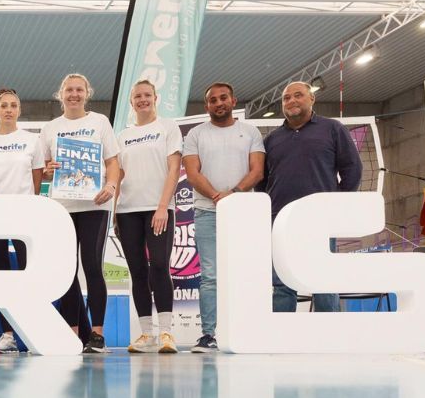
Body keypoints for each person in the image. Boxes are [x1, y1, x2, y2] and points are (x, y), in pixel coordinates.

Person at [263, 81, 363, 313]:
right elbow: (262, 182)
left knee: (324, 281)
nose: (292, 101)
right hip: (280, 223)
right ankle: (282, 340)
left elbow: (353, 170)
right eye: (286, 98)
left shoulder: (332, 129)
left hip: (320, 221)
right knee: (281, 284)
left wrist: (335, 204)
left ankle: (329, 340)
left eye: (298, 95)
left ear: (312, 99)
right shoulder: (272, 140)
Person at [39, 73, 121, 353]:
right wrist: (49, 170)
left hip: (94, 205)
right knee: (66, 272)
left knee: (92, 266)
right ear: (60, 94)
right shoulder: (50, 128)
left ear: (87, 93)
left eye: (79, 90)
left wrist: (111, 185)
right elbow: (44, 168)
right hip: (62, 207)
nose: (74, 94)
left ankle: (97, 335)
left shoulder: (99, 122)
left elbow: (113, 162)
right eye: (69, 90)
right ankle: (72, 333)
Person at [183, 81, 265, 352]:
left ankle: (248, 330)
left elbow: (257, 171)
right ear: (207, 106)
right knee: (209, 275)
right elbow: (193, 174)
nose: (218, 103)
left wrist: (234, 194)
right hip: (207, 212)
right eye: (213, 100)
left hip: (243, 214)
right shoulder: (195, 134)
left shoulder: (250, 131)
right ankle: (209, 334)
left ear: (233, 100)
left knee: (245, 271)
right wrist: (218, 197)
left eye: (223, 98)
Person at [116, 80, 183, 354]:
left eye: (147, 95)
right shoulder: (123, 135)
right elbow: (117, 175)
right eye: (137, 97)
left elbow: (174, 169)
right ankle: (146, 335)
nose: (142, 100)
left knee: (158, 265)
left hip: (158, 209)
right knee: (137, 271)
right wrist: (112, 213)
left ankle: (166, 332)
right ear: (132, 102)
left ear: (155, 97)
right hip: (127, 210)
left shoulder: (167, 128)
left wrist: (162, 207)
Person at [0, 87, 45, 353]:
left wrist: (28, 206)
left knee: (29, 273)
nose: (8, 109)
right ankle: (8, 334)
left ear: (19, 110)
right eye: (3, 105)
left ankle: (34, 330)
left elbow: (36, 179)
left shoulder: (32, 141)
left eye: (13, 105)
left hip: (24, 216)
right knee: (2, 275)